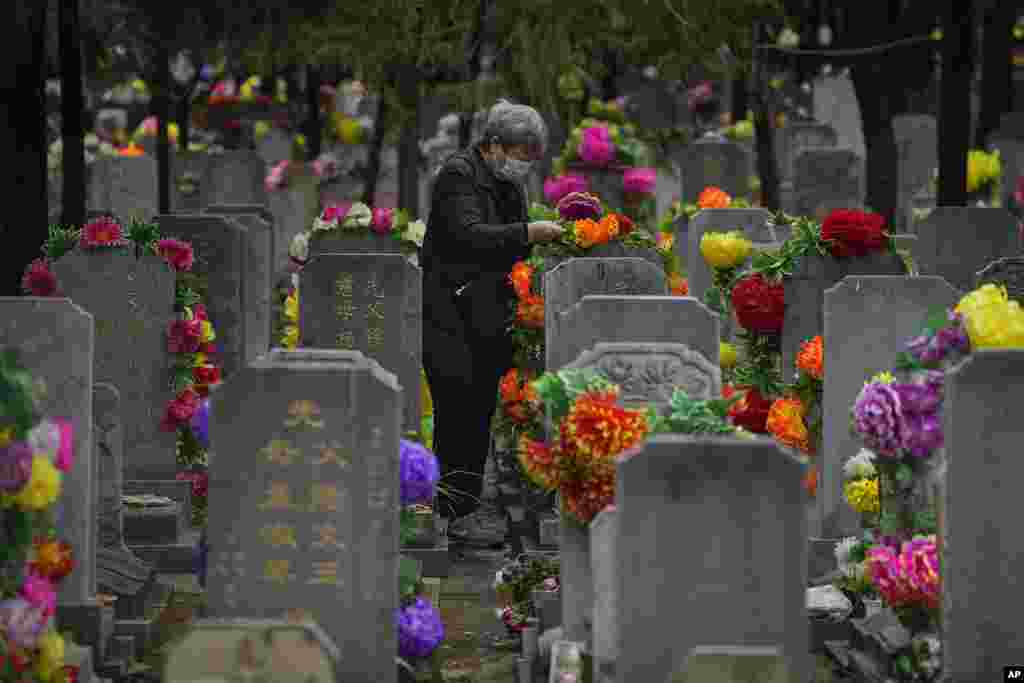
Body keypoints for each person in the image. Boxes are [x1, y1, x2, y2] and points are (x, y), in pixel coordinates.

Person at [420, 100, 563, 547]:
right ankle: (454, 513)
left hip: (486, 313)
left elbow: (511, 239)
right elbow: (468, 235)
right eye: (521, 155)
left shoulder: (503, 182)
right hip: (450, 314)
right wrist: (527, 234)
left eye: (531, 159)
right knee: (457, 414)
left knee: (478, 413)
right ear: (496, 144)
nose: (524, 166)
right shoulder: (459, 176)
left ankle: (465, 509)